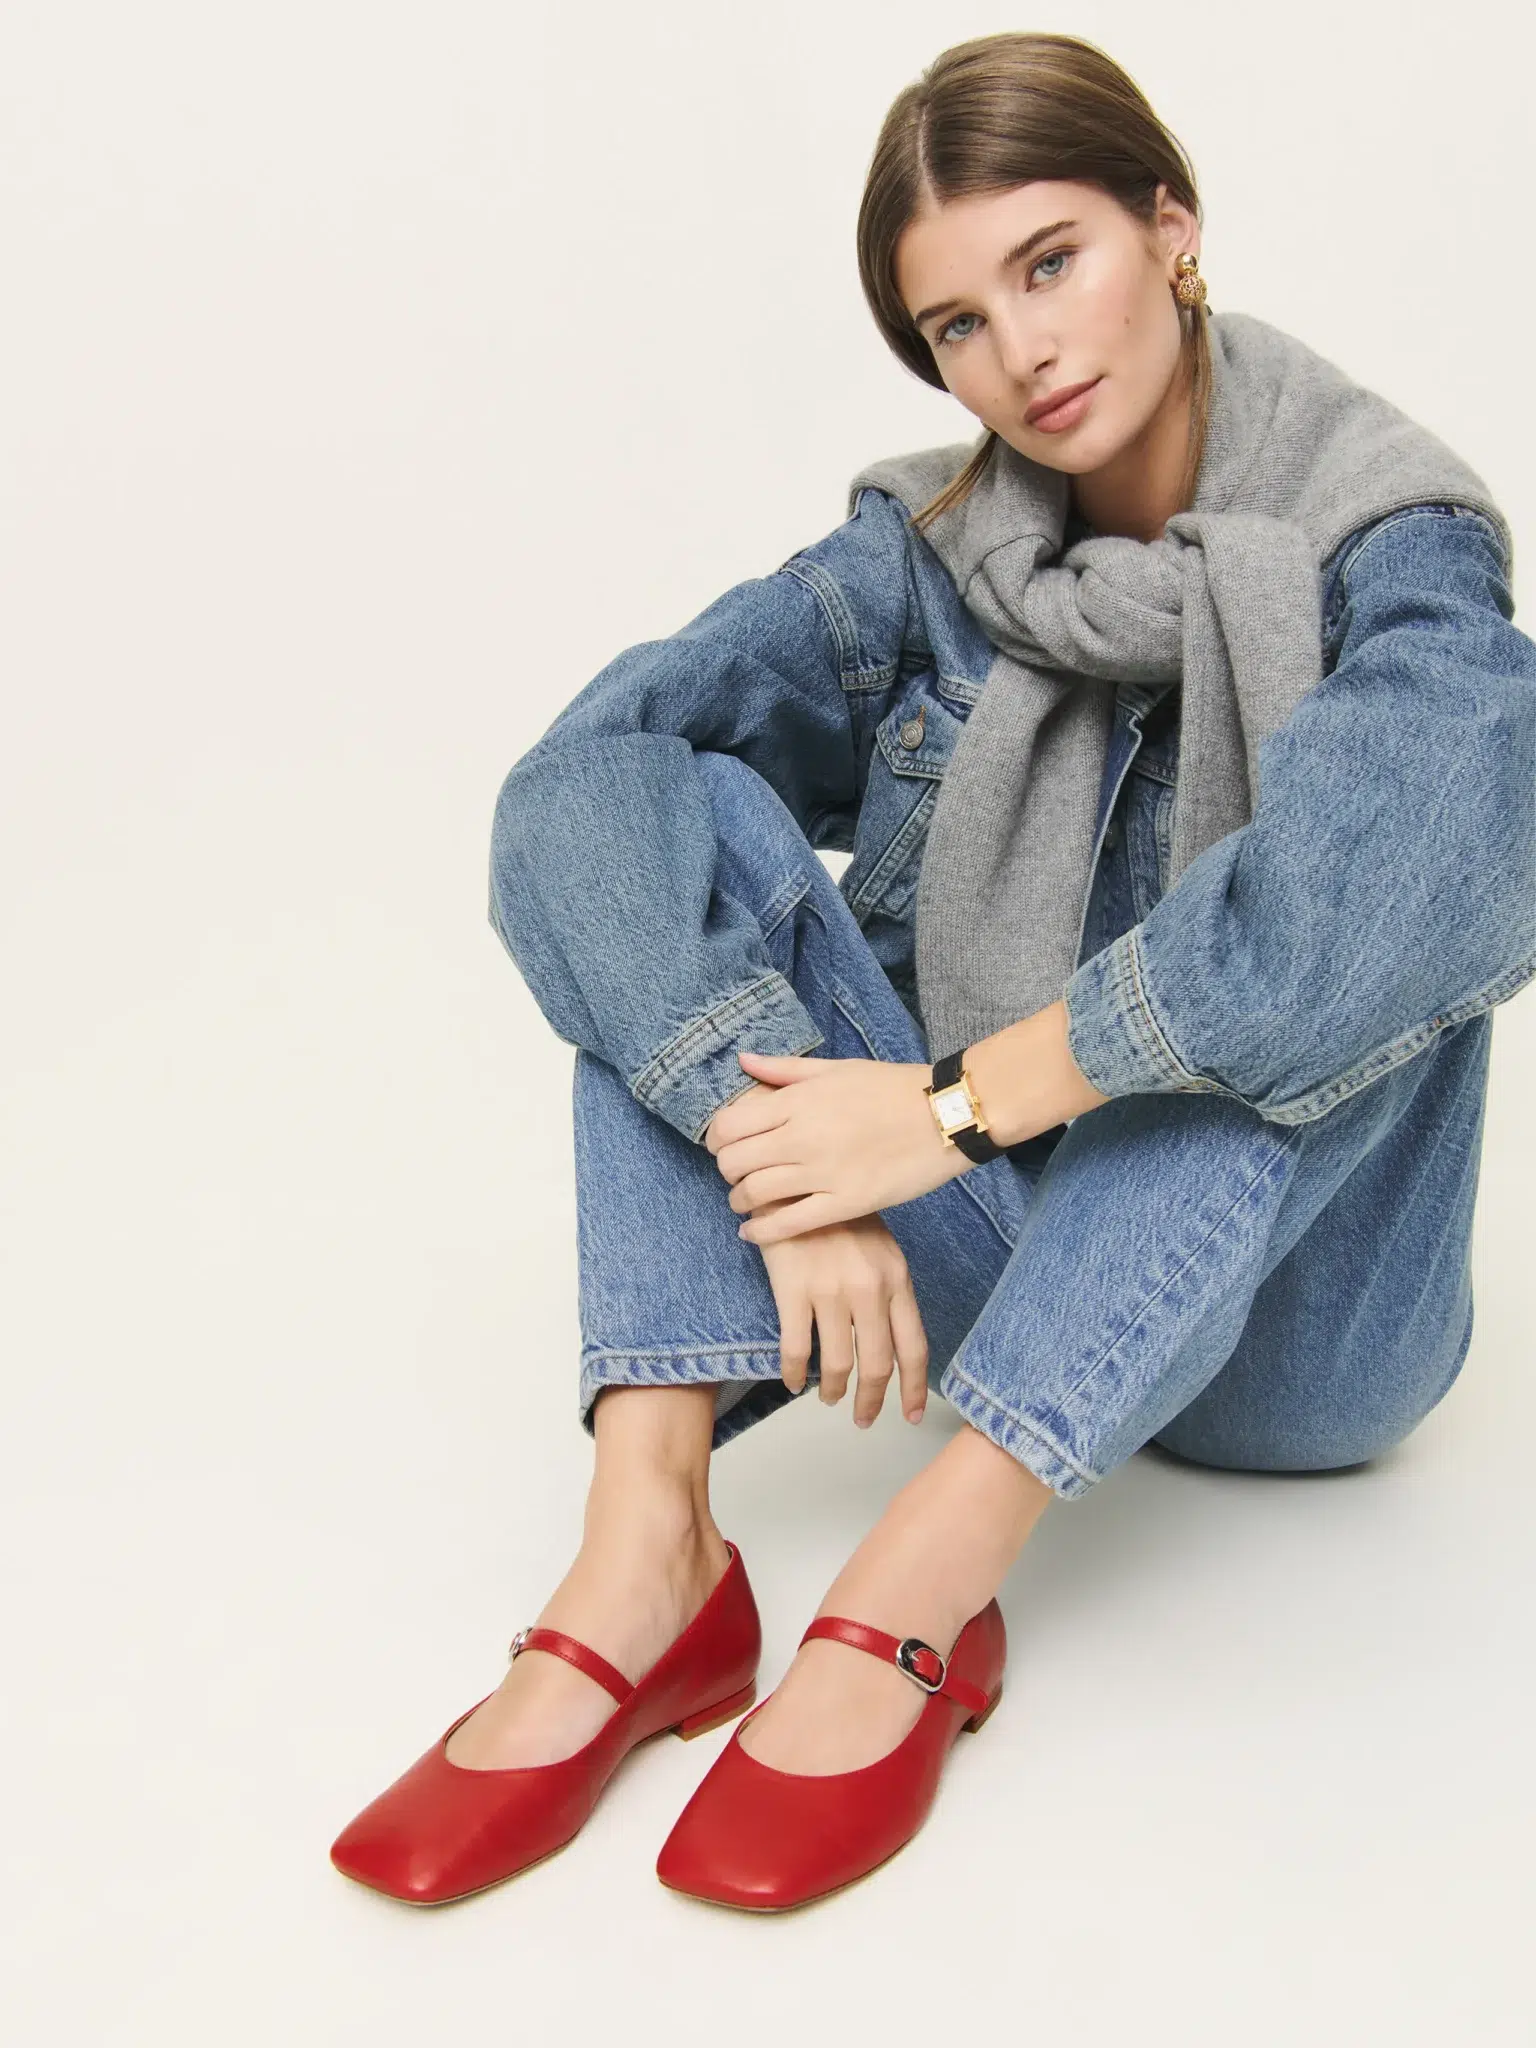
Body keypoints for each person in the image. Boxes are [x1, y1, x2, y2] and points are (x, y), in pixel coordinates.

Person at [329, 32, 1535, 1913]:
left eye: (1051, 262)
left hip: (1305, 1345)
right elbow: (578, 788)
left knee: (1317, 949)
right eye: (956, 324)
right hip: (1001, 1279)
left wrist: (952, 1111)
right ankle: (649, 1555)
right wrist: (770, 1149)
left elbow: (1341, 938)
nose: (1021, 354)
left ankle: (917, 1588)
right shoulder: (938, 553)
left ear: (1174, 225)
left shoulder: (1401, 553)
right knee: (667, 852)